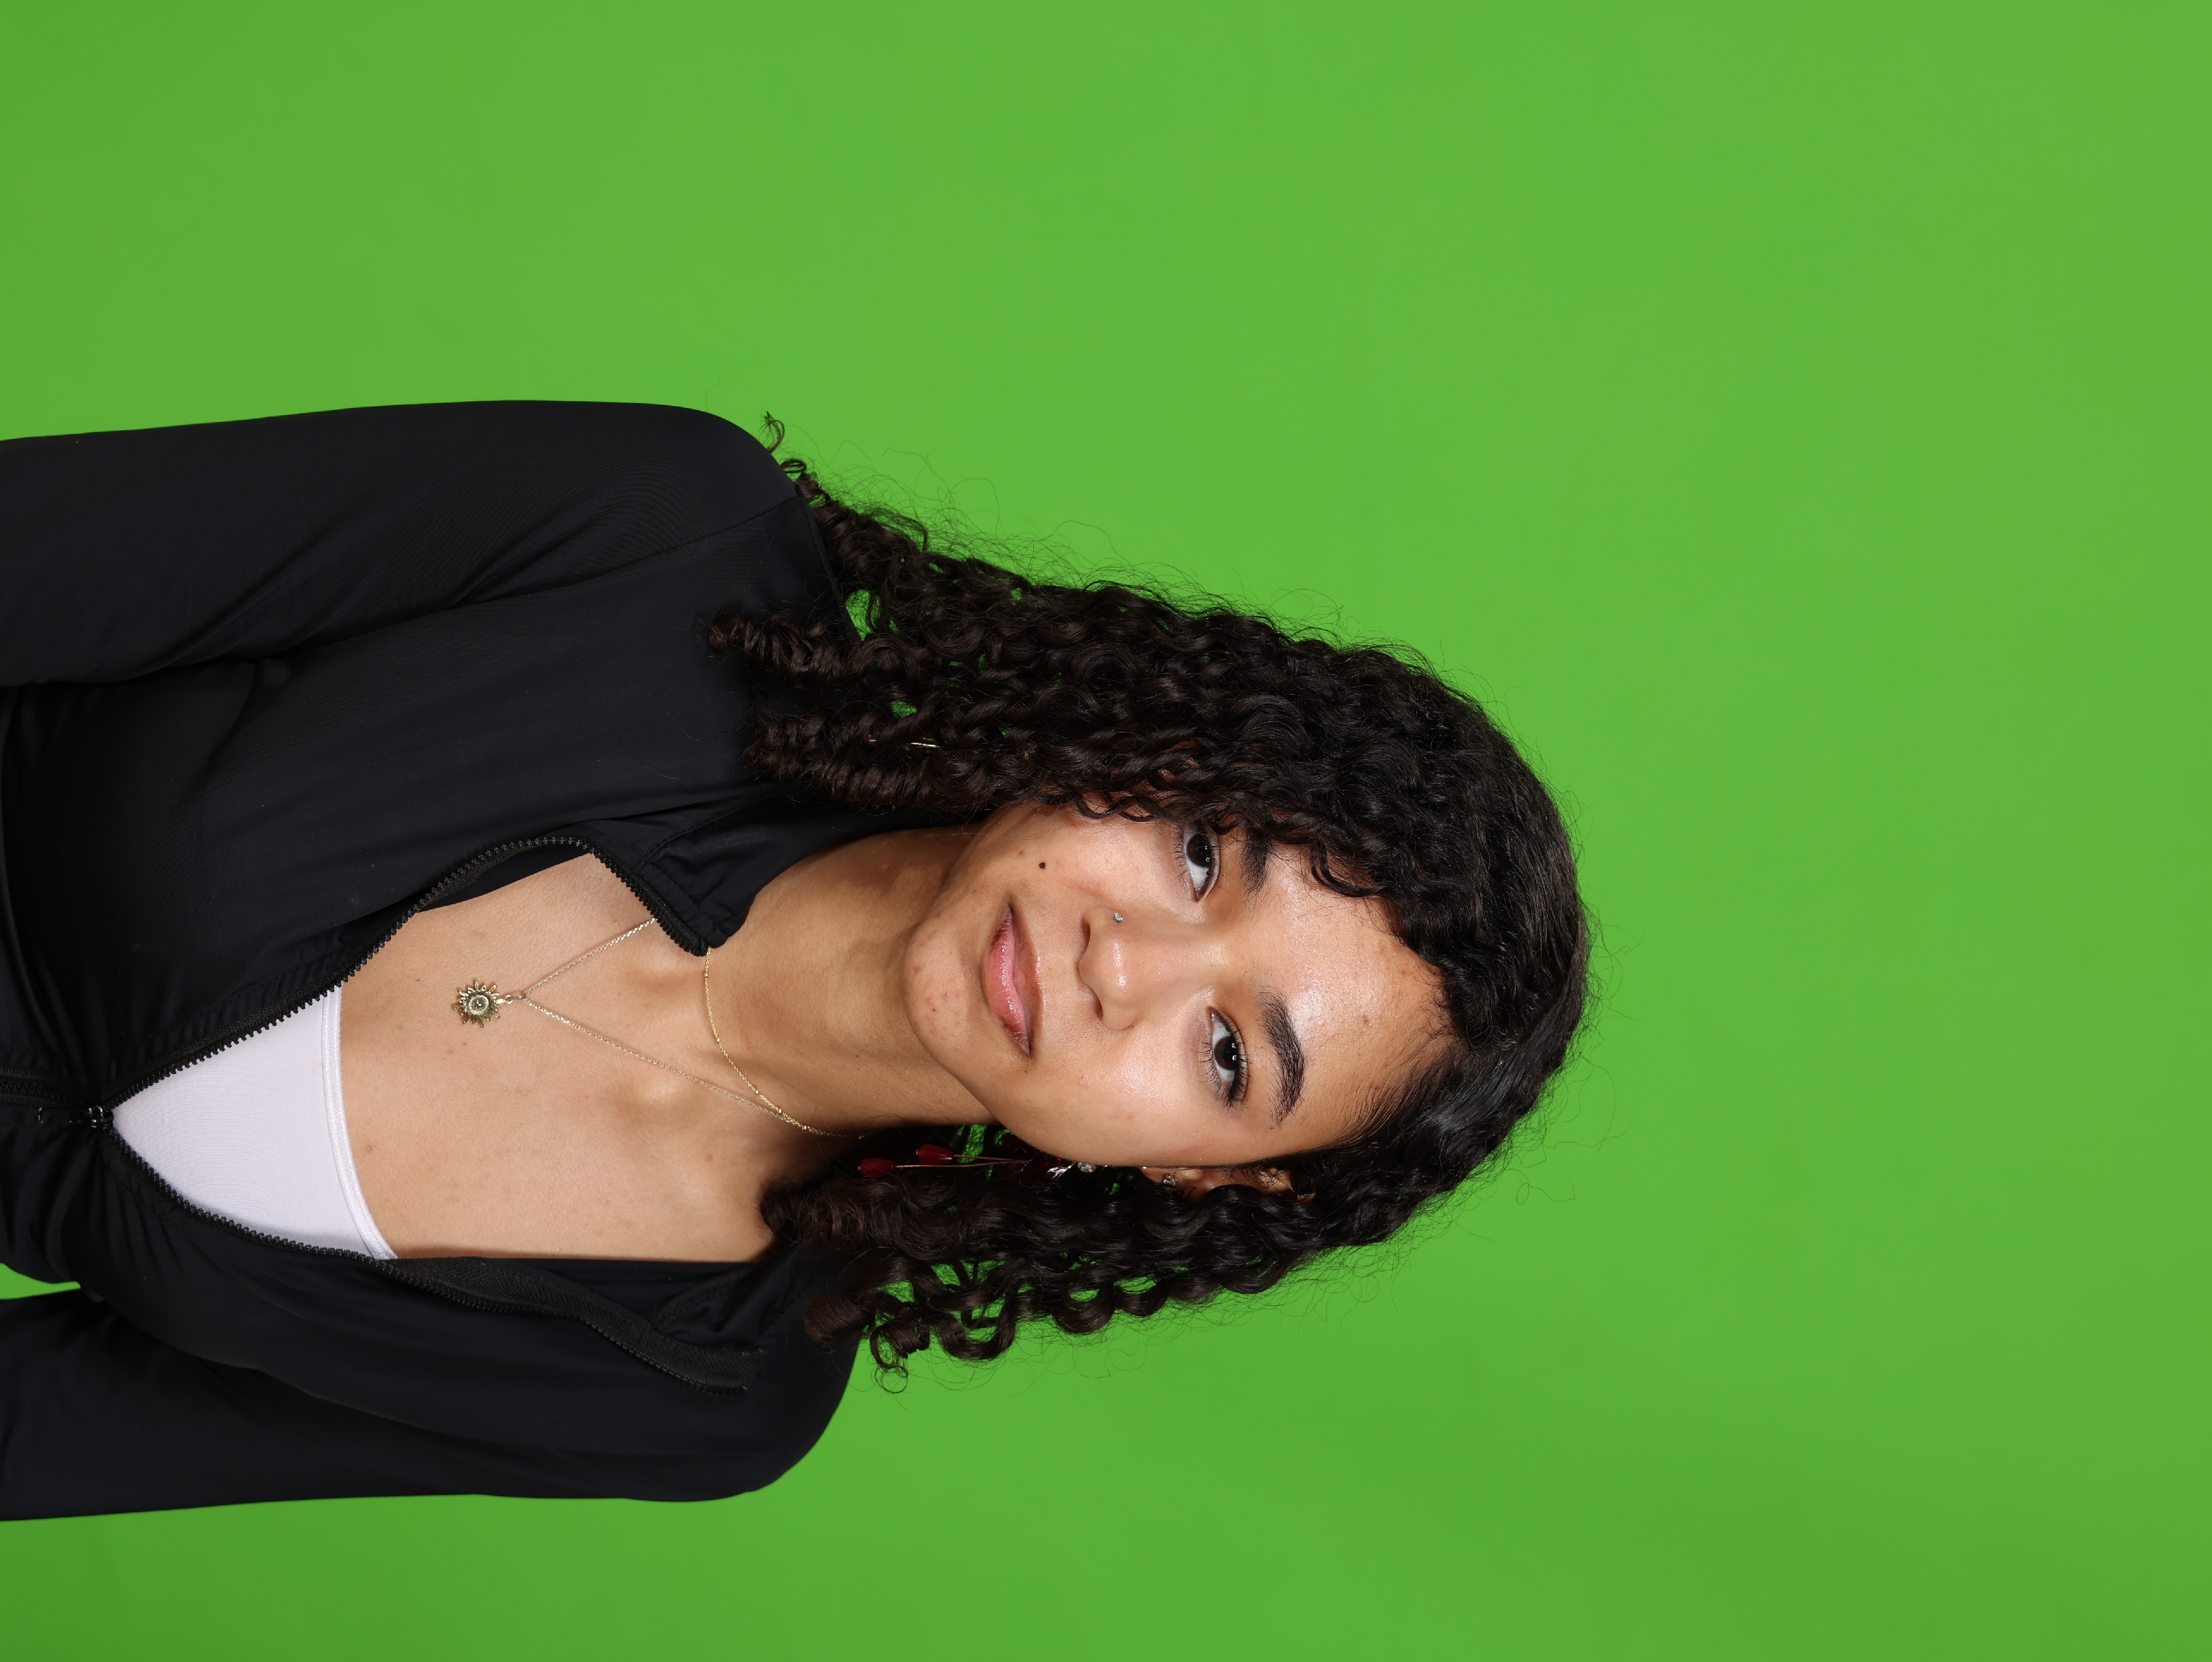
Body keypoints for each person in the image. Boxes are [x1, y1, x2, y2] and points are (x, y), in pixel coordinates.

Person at [0, 401, 1587, 1520]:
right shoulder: (659, 544)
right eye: (1201, 857)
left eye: (1228, 1053)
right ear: (1168, 752)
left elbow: (39, 1434)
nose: (1127, 963)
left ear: (1201, 1175)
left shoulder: (706, 1391)